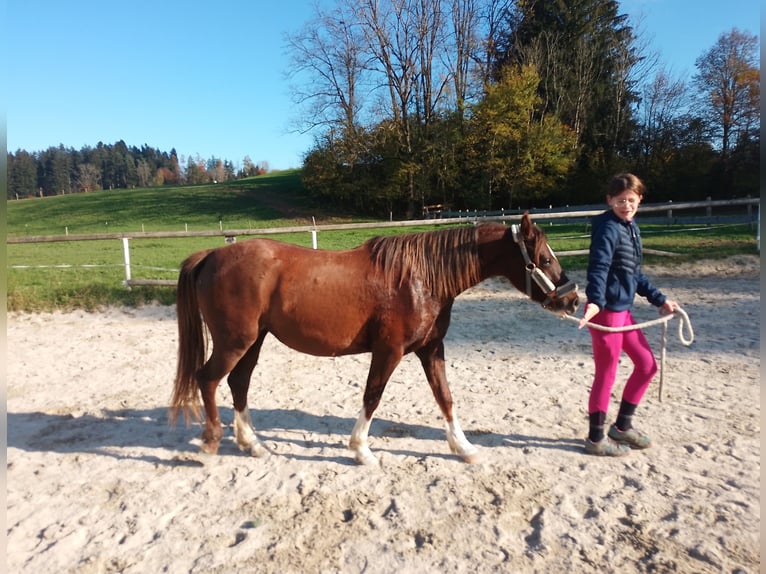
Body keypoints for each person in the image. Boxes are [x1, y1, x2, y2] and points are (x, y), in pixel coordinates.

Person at [578, 173, 679, 456]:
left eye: (631, 200)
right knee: (606, 375)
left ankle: (622, 427)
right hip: (607, 313)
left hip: (623, 311)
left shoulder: (630, 226)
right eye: (620, 200)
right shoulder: (608, 228)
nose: (626, 205)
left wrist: (660, 299)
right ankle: (596, 439)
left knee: (647, 366)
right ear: (610, 200)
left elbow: (633, 272)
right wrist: (595, 301)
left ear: (639, 200)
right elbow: (598, 267)